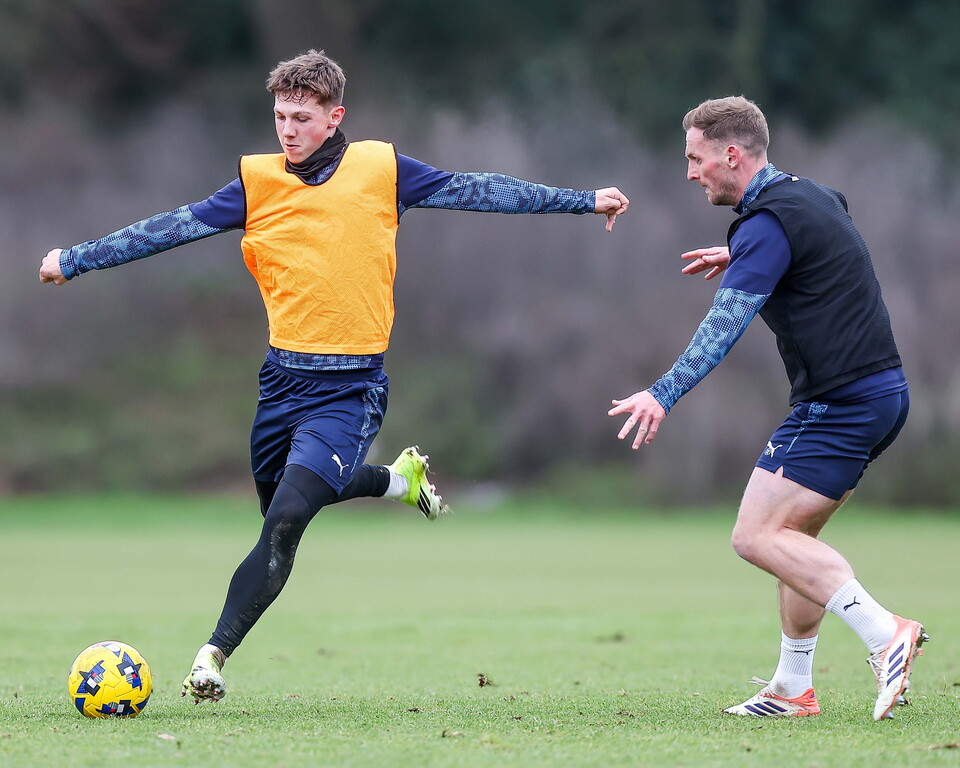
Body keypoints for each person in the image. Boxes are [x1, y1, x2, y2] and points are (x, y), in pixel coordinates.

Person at [39, 49, 630, 703]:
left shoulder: (382, 170)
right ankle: (396, 481)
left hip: (351, 388)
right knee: (286, 504)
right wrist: (78, 258)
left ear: (333, 117)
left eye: (300, 117)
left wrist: (582, 200)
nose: (286, 130)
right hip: (280, 387)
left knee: (288, 518)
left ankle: (211, 658)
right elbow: (167, 229)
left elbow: (480, 190)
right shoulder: (256, 182)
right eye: (279, 117)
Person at [608, 96, 925, 721]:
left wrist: (662, 392)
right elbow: (832, 239)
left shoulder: (765, 226)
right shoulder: (809, 196)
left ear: (731, 154)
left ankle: (886, 632)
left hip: (841, 403)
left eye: (695, 158)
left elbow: (723, 327)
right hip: (880, 394)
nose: (690, 172)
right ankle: (791, 688)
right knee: (792, 538)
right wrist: (750, 257)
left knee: (755, 536)